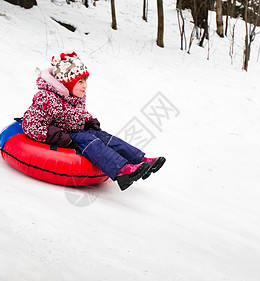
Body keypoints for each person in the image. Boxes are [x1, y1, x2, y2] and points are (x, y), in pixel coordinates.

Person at [22, 51, 165, 191]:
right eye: (80, 81)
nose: (85, 85)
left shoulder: (74, 96)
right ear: (66, 83)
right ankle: (122, 171)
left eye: (85, 81)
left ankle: (139, 160)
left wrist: (89, 120)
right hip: (63, 136)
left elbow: (77, 113)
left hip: (75, 130)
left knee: (105, 137)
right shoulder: (47, 98)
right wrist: (60, 137)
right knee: (89, 141)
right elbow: (31, 124)